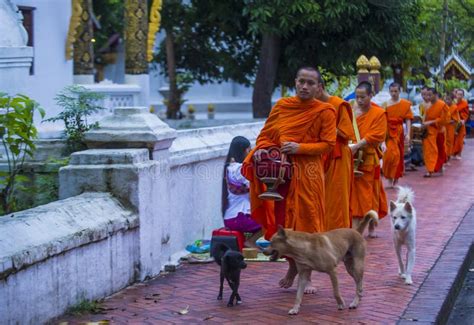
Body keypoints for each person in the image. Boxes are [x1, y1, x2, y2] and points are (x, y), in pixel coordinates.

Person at [242, 66, 336, 293]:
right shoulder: (283, 106)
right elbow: (264, 136)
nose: (305, 86)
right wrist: (267, 152)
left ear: (318, 87)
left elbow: (328, 144)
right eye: (301, 81)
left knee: (308, 225)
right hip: (283, 176)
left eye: (310, 83)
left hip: (309, 174)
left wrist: (299, 147)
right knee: (285, 225)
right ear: (295, 81)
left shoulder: (326, 111)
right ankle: (292, 267)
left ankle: (307, 276)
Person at [313, 74, 355, 230]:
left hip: (338, 156)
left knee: (337, 199)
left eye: (312, 85)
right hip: (320, 155)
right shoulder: (313, 106)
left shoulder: (338, 104)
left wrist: (329, 127)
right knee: (320, 198)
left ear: (320, 87)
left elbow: (347, 133)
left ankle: (339, 238)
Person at [349, 81, 388, 238]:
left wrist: (358, 145)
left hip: (368, 160)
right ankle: (355, 228)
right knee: (352, 194)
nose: (359, 100)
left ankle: (367, 226)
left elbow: (377, 135)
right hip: (351, 158)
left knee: (368, 194)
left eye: (363, 97)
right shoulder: (350, 110)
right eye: (357, 97)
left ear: (371, 96)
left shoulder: (378, 113)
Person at [222, 136, 262, 250]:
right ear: (244, 150)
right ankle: (251, 242)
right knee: (269, 221)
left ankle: (249, 241)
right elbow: (254, 188)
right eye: (249, 150)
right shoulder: (239, 169)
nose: (250, 153)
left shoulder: (229, 167)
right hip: (239, 218)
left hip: (230, 217)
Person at [382, 83, 414, 188]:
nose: (393, 93)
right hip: (388, 132)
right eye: (391, 91)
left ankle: (395, 179)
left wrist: (408, 134)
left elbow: (408, 119)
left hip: (399, 132)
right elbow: (382, 121)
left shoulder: (405, 104)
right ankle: (389, 179)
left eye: (396, 91)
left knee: (397, 156)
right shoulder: (385, 104)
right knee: (389, 156)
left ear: (399, 91)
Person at [422, 88, 449, 177]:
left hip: (439, 130)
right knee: (429, 150)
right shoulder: (427, 105)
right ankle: (430, 169)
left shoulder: (442, 105)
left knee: (440, 149)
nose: (428, 97)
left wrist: (431, 122)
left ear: (435, 94)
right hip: (429, 131)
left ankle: (439, 166)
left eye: (430, 95)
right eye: (426, 95)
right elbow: (425, 117)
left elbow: (445, 119)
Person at [453, 89, 470, 159]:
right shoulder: (453, 102)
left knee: (460, 139)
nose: (459, 96)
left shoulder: (464, 103)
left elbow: (466, 113)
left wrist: (463, 120)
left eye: (461, 94)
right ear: (455, 94)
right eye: (458, 94)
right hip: (453, 122)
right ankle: (453, 153)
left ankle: (459, 154)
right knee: (452, 138)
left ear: (463, 95)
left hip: (461, 122)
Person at [444, 93, 460, 162]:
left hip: (450, 127)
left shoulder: (454, 107)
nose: (447, 101)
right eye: (446, 99)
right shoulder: (443, 106)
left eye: (448, 99)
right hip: (444, 126)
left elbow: (456, 119)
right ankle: (444, 156)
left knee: (450, 141)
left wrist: (449, 121)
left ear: (452, 100)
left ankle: (448, 156)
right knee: (444, 141)